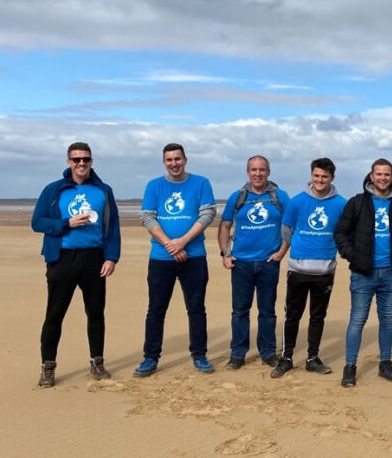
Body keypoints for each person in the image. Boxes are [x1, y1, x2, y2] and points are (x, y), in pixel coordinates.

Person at [31, 142, 121, 387]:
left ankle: (97, 362)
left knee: (95, 314)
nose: (81, 164)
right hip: (62, 258)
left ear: (92, 161)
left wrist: (112, 257)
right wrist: (66, 223)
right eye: (76, 159)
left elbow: (112, 227)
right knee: (54, 315)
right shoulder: (53, 190)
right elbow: (38, 222)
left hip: (94, 258)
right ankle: (47, 367)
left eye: (86, 159)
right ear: (68, 162)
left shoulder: (103, 191)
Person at [135, 143, 217, 377]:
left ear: (185, 160)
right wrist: (170, 245)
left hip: (194, 257)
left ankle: (199, 355)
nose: (174, 164)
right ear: (164, 162)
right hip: (161, 258)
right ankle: (150, 358)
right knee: (156, 309)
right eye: (169, 160)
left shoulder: (201, 183)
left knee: (196, 308)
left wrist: (182, 241)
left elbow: (208, 213)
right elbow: (148, 217)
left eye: (178, 159)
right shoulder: (155, 186)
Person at [333, 159, 392, 387]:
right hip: (363, 273)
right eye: (378, 174)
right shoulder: (358, 203)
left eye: (386, 174)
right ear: (371, 176)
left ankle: (385, 364)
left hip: (390, 273)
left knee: (387, 320)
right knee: (358, 320)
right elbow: (341, 232)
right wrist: (353, 255)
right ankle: (350, 366)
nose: (382, 178)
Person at [270, 158, 346, 379]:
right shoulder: (297, 201)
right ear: (311, 176)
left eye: (324, 176)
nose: (320, 180)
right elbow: (286, 228)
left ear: (332, 178)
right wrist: (294, 249)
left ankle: (313, 358)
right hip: (298, 268)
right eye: (316, 176)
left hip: (325, 270)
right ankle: (286, 358)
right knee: (292, 315)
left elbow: (344, 231)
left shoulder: (340, 203)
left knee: (317, 316)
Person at [217, 155, 290, 370]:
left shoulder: (280, 196)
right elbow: (224, 226)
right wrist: (225, 253)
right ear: (247, 172)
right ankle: (238, 353)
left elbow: (290, 226)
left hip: (269, 262)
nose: (258, 174)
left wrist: (281, 252)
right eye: (253, 170)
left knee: (267, 311)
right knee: (240, 310)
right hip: (241, 263)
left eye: (262, 170)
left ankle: (268, 352)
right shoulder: (238, 197)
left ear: (268, 172)